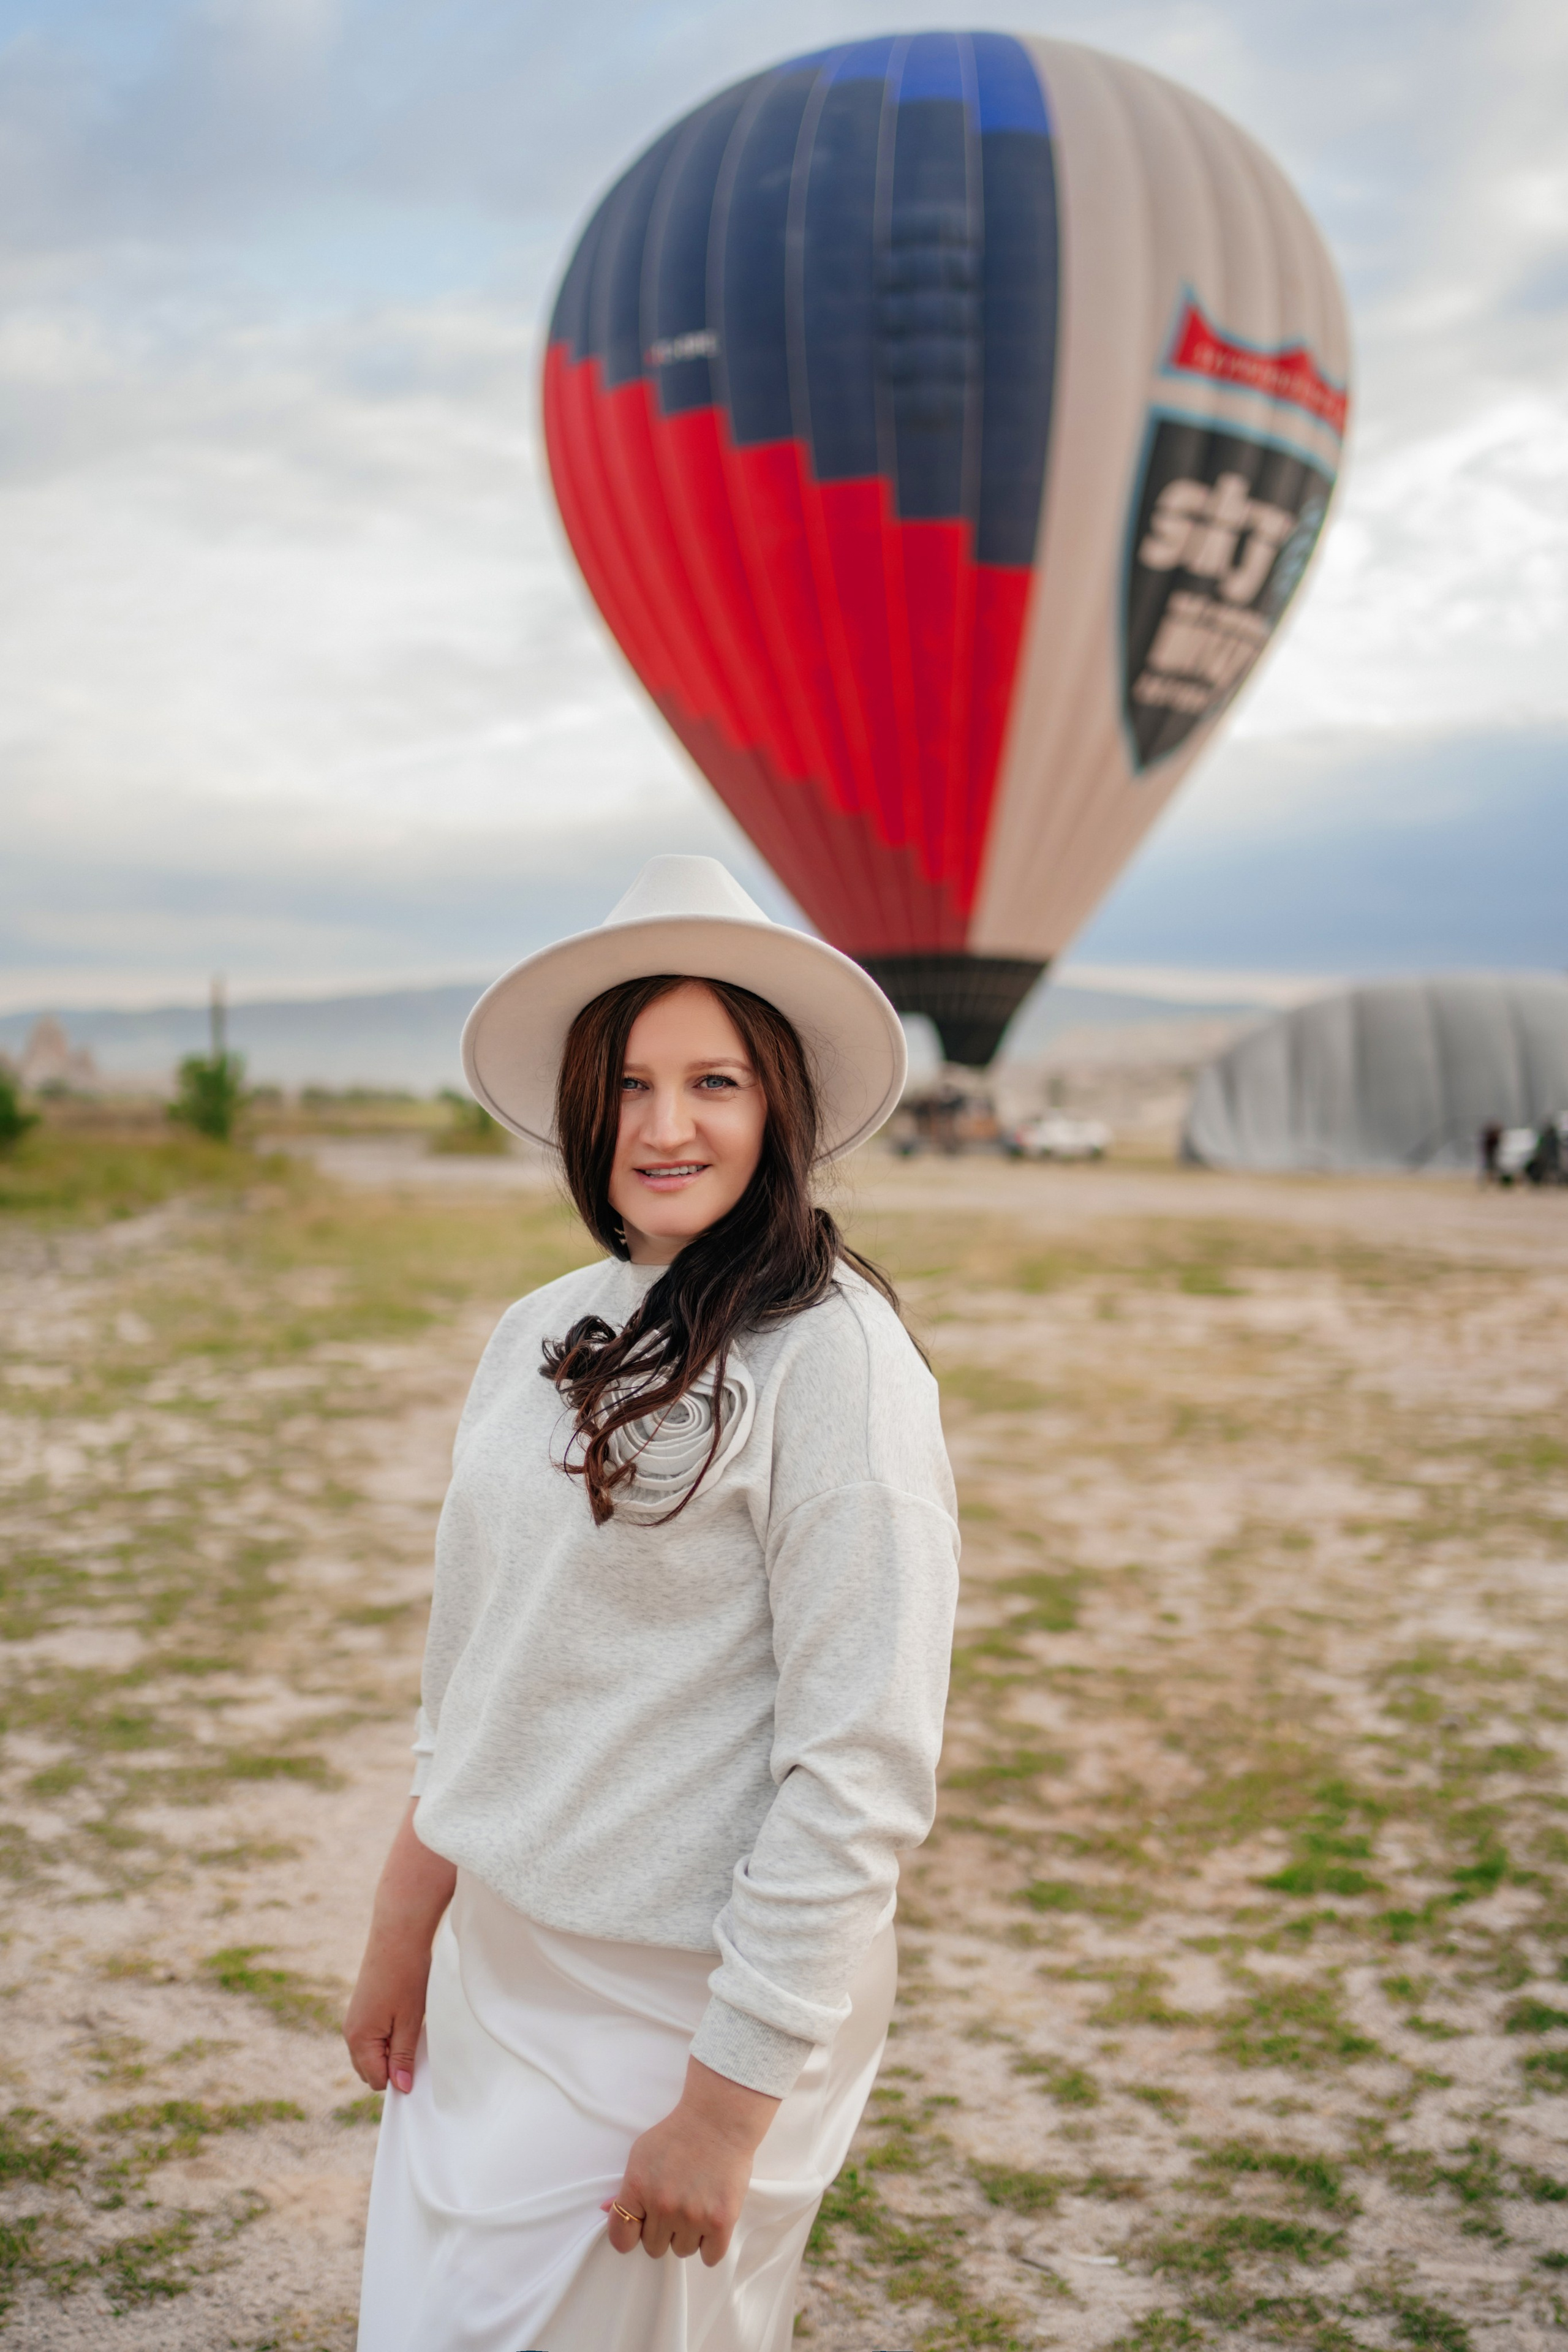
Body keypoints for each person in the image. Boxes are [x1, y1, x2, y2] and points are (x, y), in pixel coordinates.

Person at [345, 856, 960, 2352]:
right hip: (503, 1970)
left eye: (714, 1082)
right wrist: (407, 1910)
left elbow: (859, 1766)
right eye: (627, 1084)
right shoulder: (537, 1330)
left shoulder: (840, 1365)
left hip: (686, 2007)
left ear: (781, 1107)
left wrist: (725, 2104)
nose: (666, 1126)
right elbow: (477, 1661)